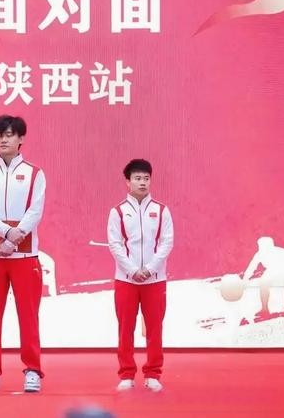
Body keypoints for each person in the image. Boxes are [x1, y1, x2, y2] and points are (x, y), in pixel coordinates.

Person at [0, 115, 46, 393]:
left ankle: (33, 370)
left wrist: (16, 237)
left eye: (9, 135)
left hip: (25, 258)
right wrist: (5, 233)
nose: (4, 140)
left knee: (28, 316)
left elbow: (35, 210)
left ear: (21, 139)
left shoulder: (34, 174)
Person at [107, 159, 173, 392]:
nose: (142, 182)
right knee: (125, 328)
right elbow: (115, 244)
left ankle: (153, 373)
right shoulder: (118, 212)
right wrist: (133, 270)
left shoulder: (161, 211)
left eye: (146, 178)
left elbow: (166, 242)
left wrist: (150, 269)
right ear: (128, 182)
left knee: (155, 328)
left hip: (155, 280)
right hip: (126, 280)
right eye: (137, 178)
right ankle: (126, 374)